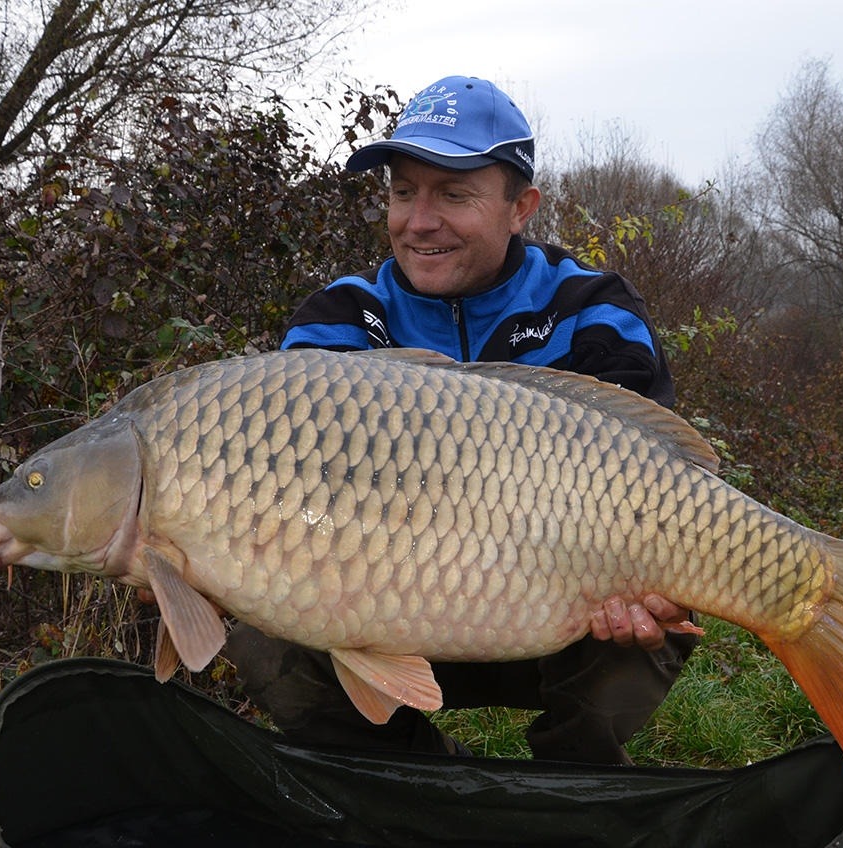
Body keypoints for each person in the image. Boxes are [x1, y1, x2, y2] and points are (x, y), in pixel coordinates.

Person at [224, 75, 699, 765]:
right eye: (403, 192)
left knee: (659, 605)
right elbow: (295, 511)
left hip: (552, 615)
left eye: (454, 194)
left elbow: (655, 489)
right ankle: (416, 785)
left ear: (519, 208)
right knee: (268, 632)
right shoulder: (338, 323)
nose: (420, 221)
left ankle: (573, 783)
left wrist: (641, 585)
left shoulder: (593, 310)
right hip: (383, 616)